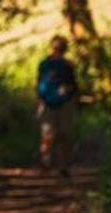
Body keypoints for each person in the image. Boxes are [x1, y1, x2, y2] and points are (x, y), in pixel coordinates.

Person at [36, 35, 79, 177]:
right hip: (62, 103)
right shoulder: (67, 65)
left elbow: (39, 85)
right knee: (61, 136)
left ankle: (48, 162)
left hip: (49, 103)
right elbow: (73, 87)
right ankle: (59, 165)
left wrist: (39, 103)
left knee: (49, 134)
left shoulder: (45, 64)